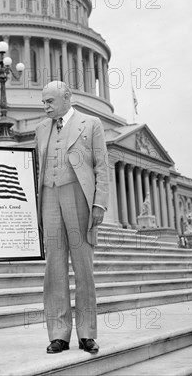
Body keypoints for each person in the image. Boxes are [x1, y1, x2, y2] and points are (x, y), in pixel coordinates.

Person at [35, 81, 109, 354]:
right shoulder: (41, 129)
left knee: (83, 268)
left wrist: (99, 203)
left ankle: (87, 333)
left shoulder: (91, 123)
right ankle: (58, 334)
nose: (45, 106)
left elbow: (102, 165)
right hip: (49, 198)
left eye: (49, 101)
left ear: (66, 98)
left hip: (79, 197)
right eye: (44, 102)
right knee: (54, 268)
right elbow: (37, 167)